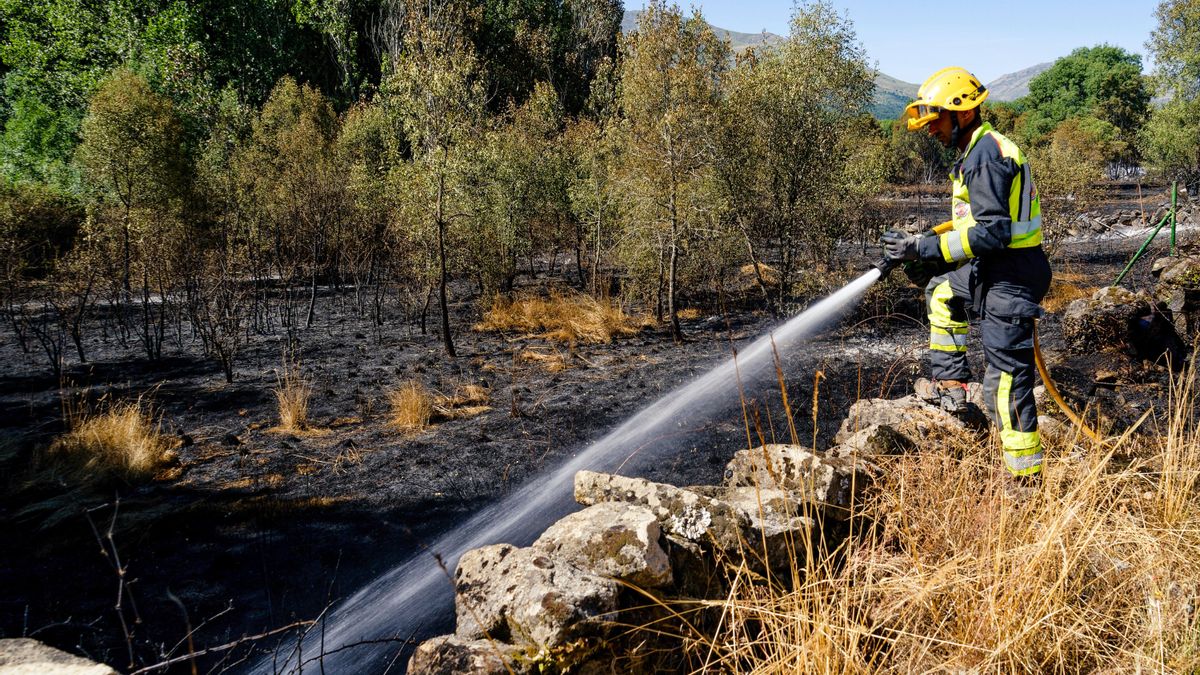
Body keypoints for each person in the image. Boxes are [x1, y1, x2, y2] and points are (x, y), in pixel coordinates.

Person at [881, 66, 1052, 480]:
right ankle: (952, 388)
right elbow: (971, 224)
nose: (929, 130)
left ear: (961, 113)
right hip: (994, 268)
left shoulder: (985, 157)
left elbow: (992, 233)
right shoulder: (978, 150)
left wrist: (922, 248)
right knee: (942, 293)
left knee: (1007, 382)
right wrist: (922, 246)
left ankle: (1026, 478)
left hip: (1010, 276)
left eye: (934, 120)